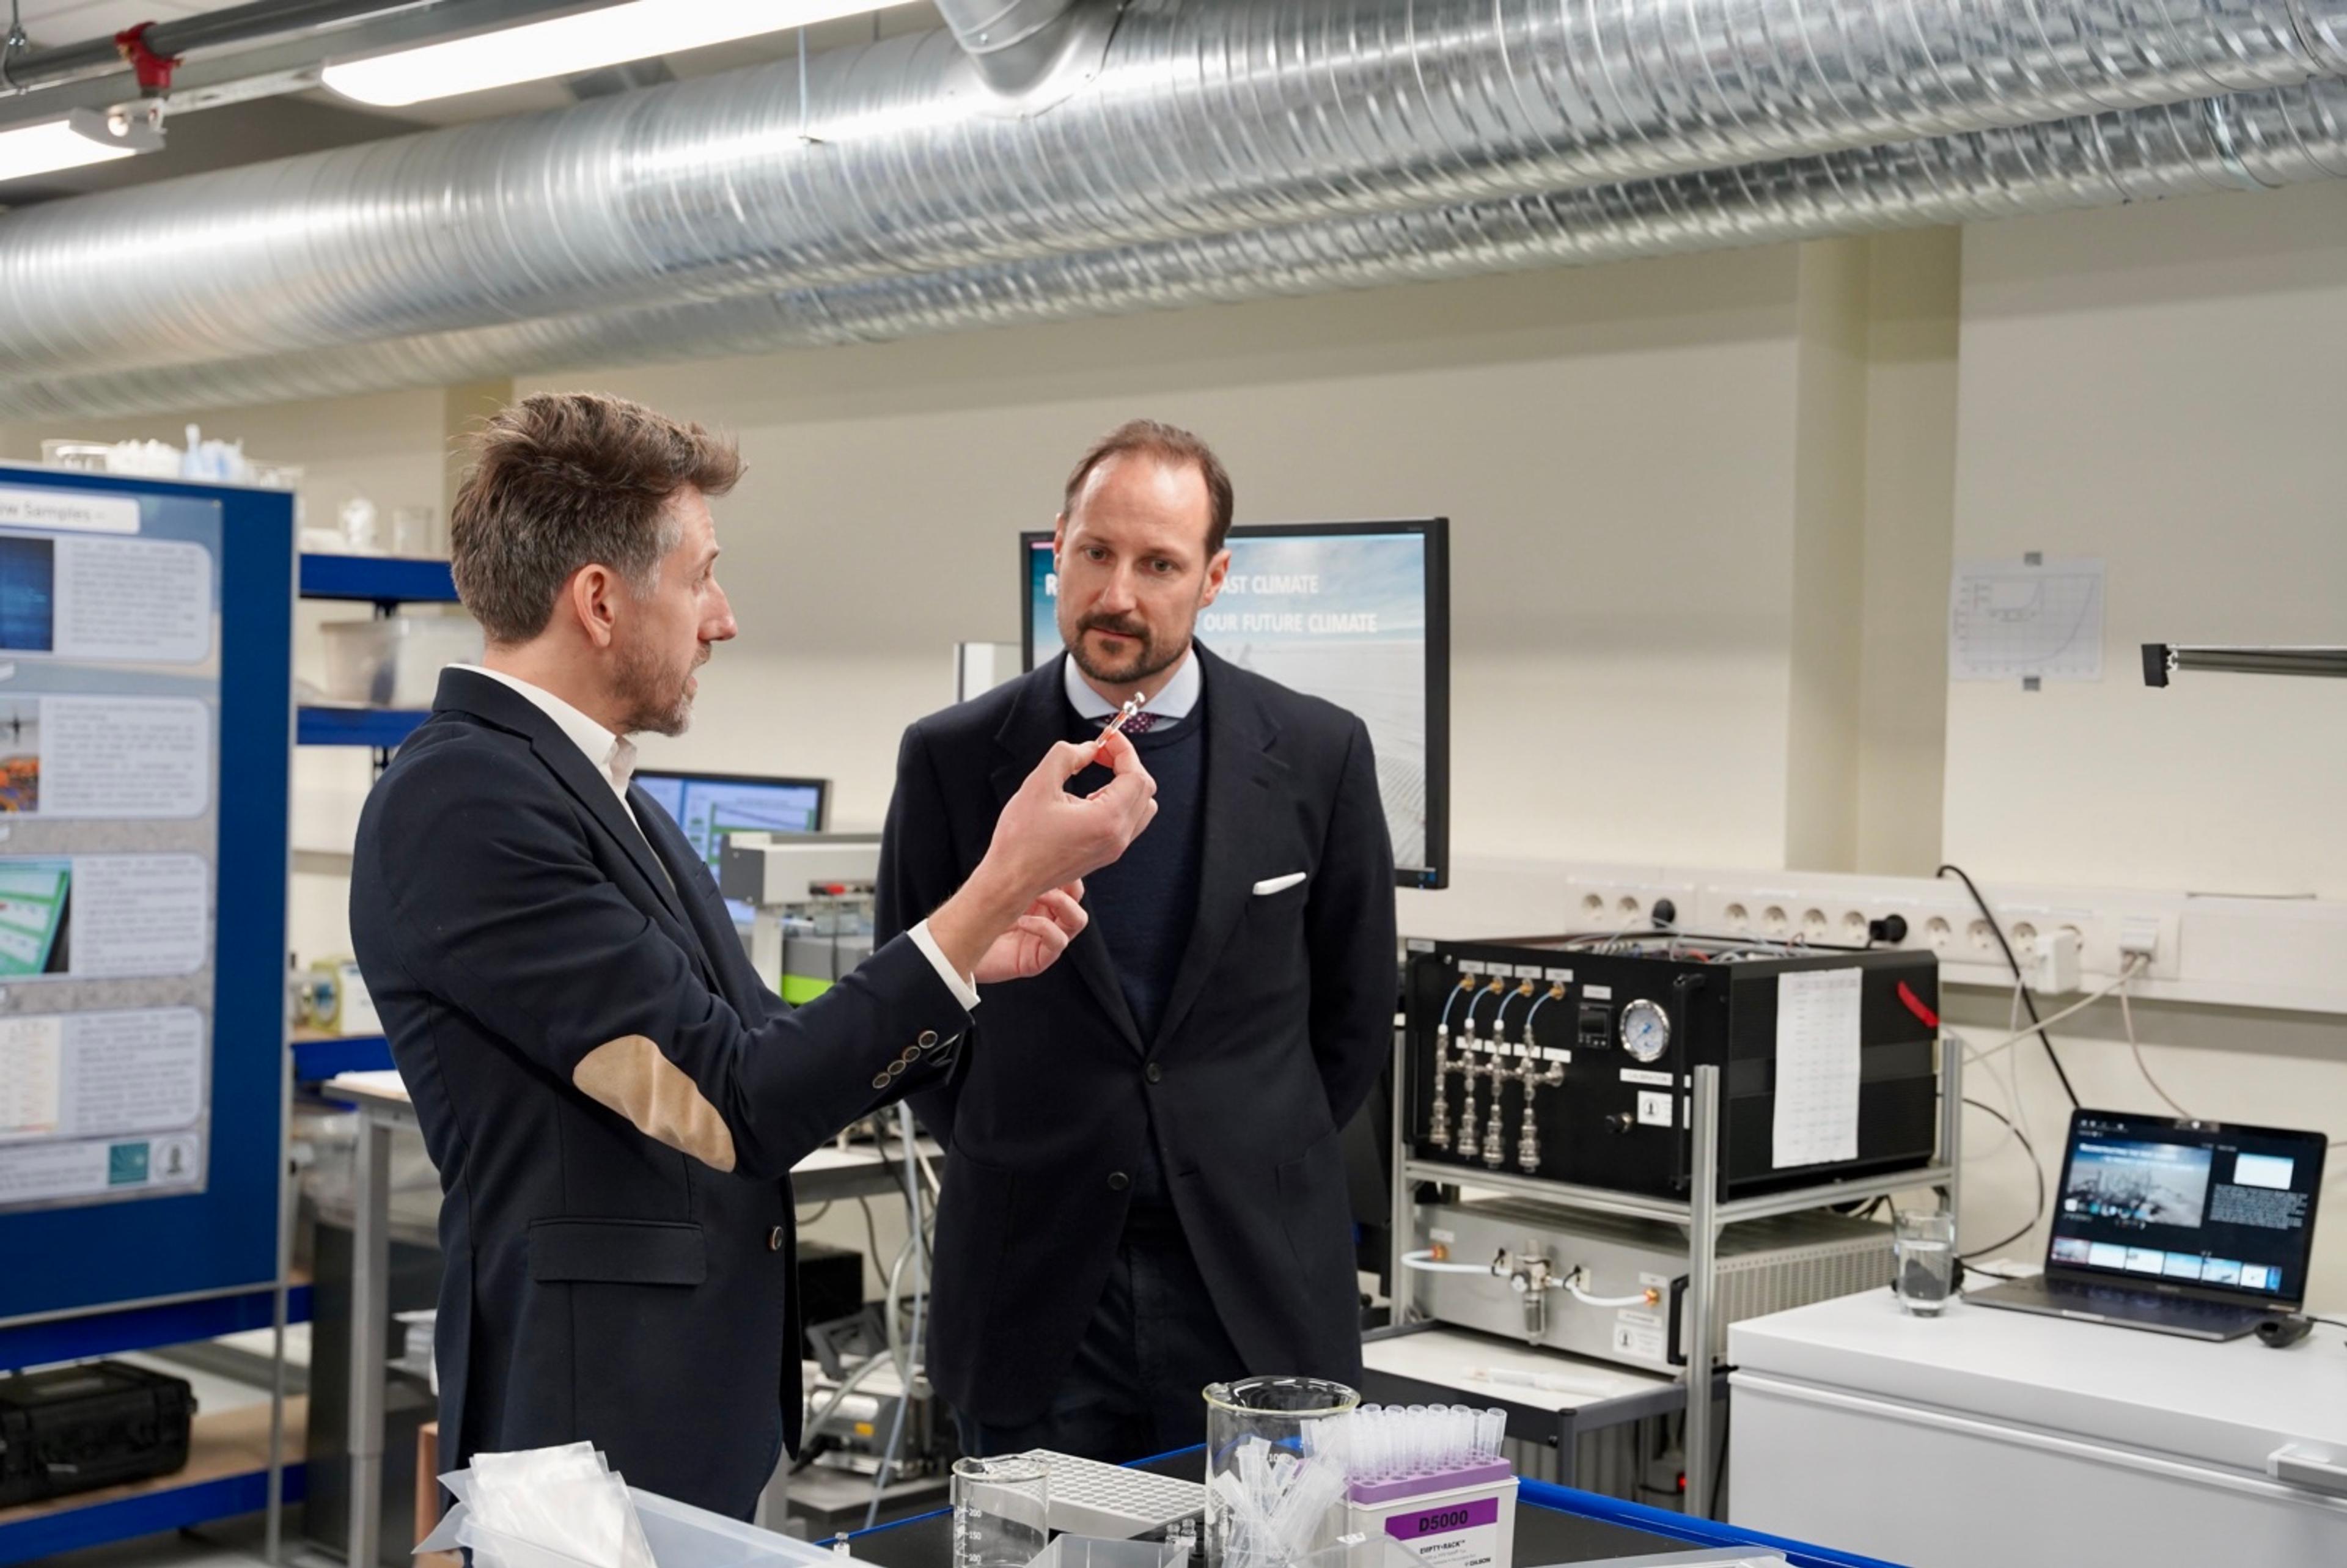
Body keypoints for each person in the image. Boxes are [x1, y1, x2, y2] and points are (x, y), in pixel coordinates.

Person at [349, 392, 1156, 1518]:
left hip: (676, 1419)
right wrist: (988, 891)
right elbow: (736, 1100)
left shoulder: (594, 790)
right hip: (592, 1441)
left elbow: (754, 1032)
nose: (721, 620)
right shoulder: (463, 801)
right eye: (702, 579)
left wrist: (972, 953)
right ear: (599, 599)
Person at [876, 419, 1396, 1460]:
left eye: (1159, 563)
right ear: (1057, 551)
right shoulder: (951, 759)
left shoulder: (1319, 752)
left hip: (1254, 1286)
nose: (1117, 592)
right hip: (1032, 1287)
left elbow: (1351, 1020)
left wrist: (1238, 1143)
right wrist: (1016, 1138)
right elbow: (910, 1002)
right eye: (1096, 553)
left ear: (1213, 578)